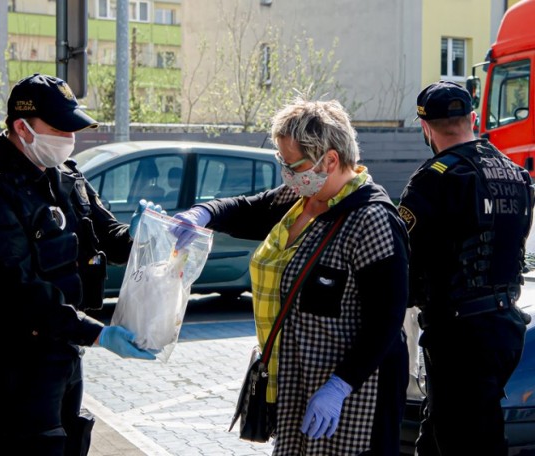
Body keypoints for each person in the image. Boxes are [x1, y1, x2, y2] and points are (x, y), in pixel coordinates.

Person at [173, 96, 410, 455]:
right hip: (297, 383)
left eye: (292, 164)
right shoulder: (301, 197)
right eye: (281, 162)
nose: (286, 173)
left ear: (330, 160)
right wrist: (203, 214)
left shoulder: (372, 219)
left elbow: (387, 319)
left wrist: (339, 387)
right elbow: (246, 209)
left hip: (351, 394)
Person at [0, 73, 158, 456]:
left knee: (69, 442)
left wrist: (144, 235)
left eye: (71, 128)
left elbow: (111, 239)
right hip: (10, 358)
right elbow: (17, 291)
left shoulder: (67, 176)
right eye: (58, 128)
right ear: (22, 127)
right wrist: (98, 333)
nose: (68, 137)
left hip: (62, 347)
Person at [397, 81, 535, 455]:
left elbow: (406, 266)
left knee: (468, 442)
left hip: (460, 335)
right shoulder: (517, 175)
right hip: (506, 326)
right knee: (441, 433)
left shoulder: (432, 181)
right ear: (472, 118)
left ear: (426, 128)